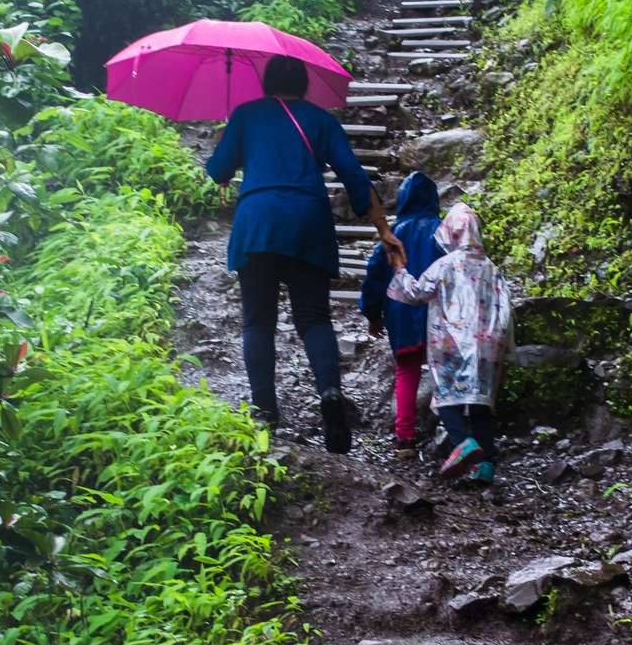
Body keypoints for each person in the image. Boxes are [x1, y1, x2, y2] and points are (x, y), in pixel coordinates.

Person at [207, 55, 405, 453]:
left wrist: (226, 148)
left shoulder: (245, 114)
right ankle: (330, 394)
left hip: (258, 222)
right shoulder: (321, 120)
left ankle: (265, 411)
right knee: (314, 318)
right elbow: (353, 174)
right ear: (303, 85)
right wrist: (383, 229)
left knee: (257, 322)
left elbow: (216, 170)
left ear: (265, 83)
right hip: (308, 222)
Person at [385, 203, 514, 481]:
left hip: (450, 344)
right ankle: (486, 464)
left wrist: (399, 270)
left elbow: (416, 293)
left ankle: (461, 442)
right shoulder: (492, 270)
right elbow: (505, 310)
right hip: (486, 345)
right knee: (480, 403)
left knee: (447, 397)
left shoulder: (444, 265)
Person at [358, 171, 446, 460]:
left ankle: (404, 439)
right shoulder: (443, 231)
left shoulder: (393, 236)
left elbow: (375, 276)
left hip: (402, 316)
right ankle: (453, 434)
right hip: (439, 316)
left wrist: (373, 314)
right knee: (444, 372)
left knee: (407, 372)